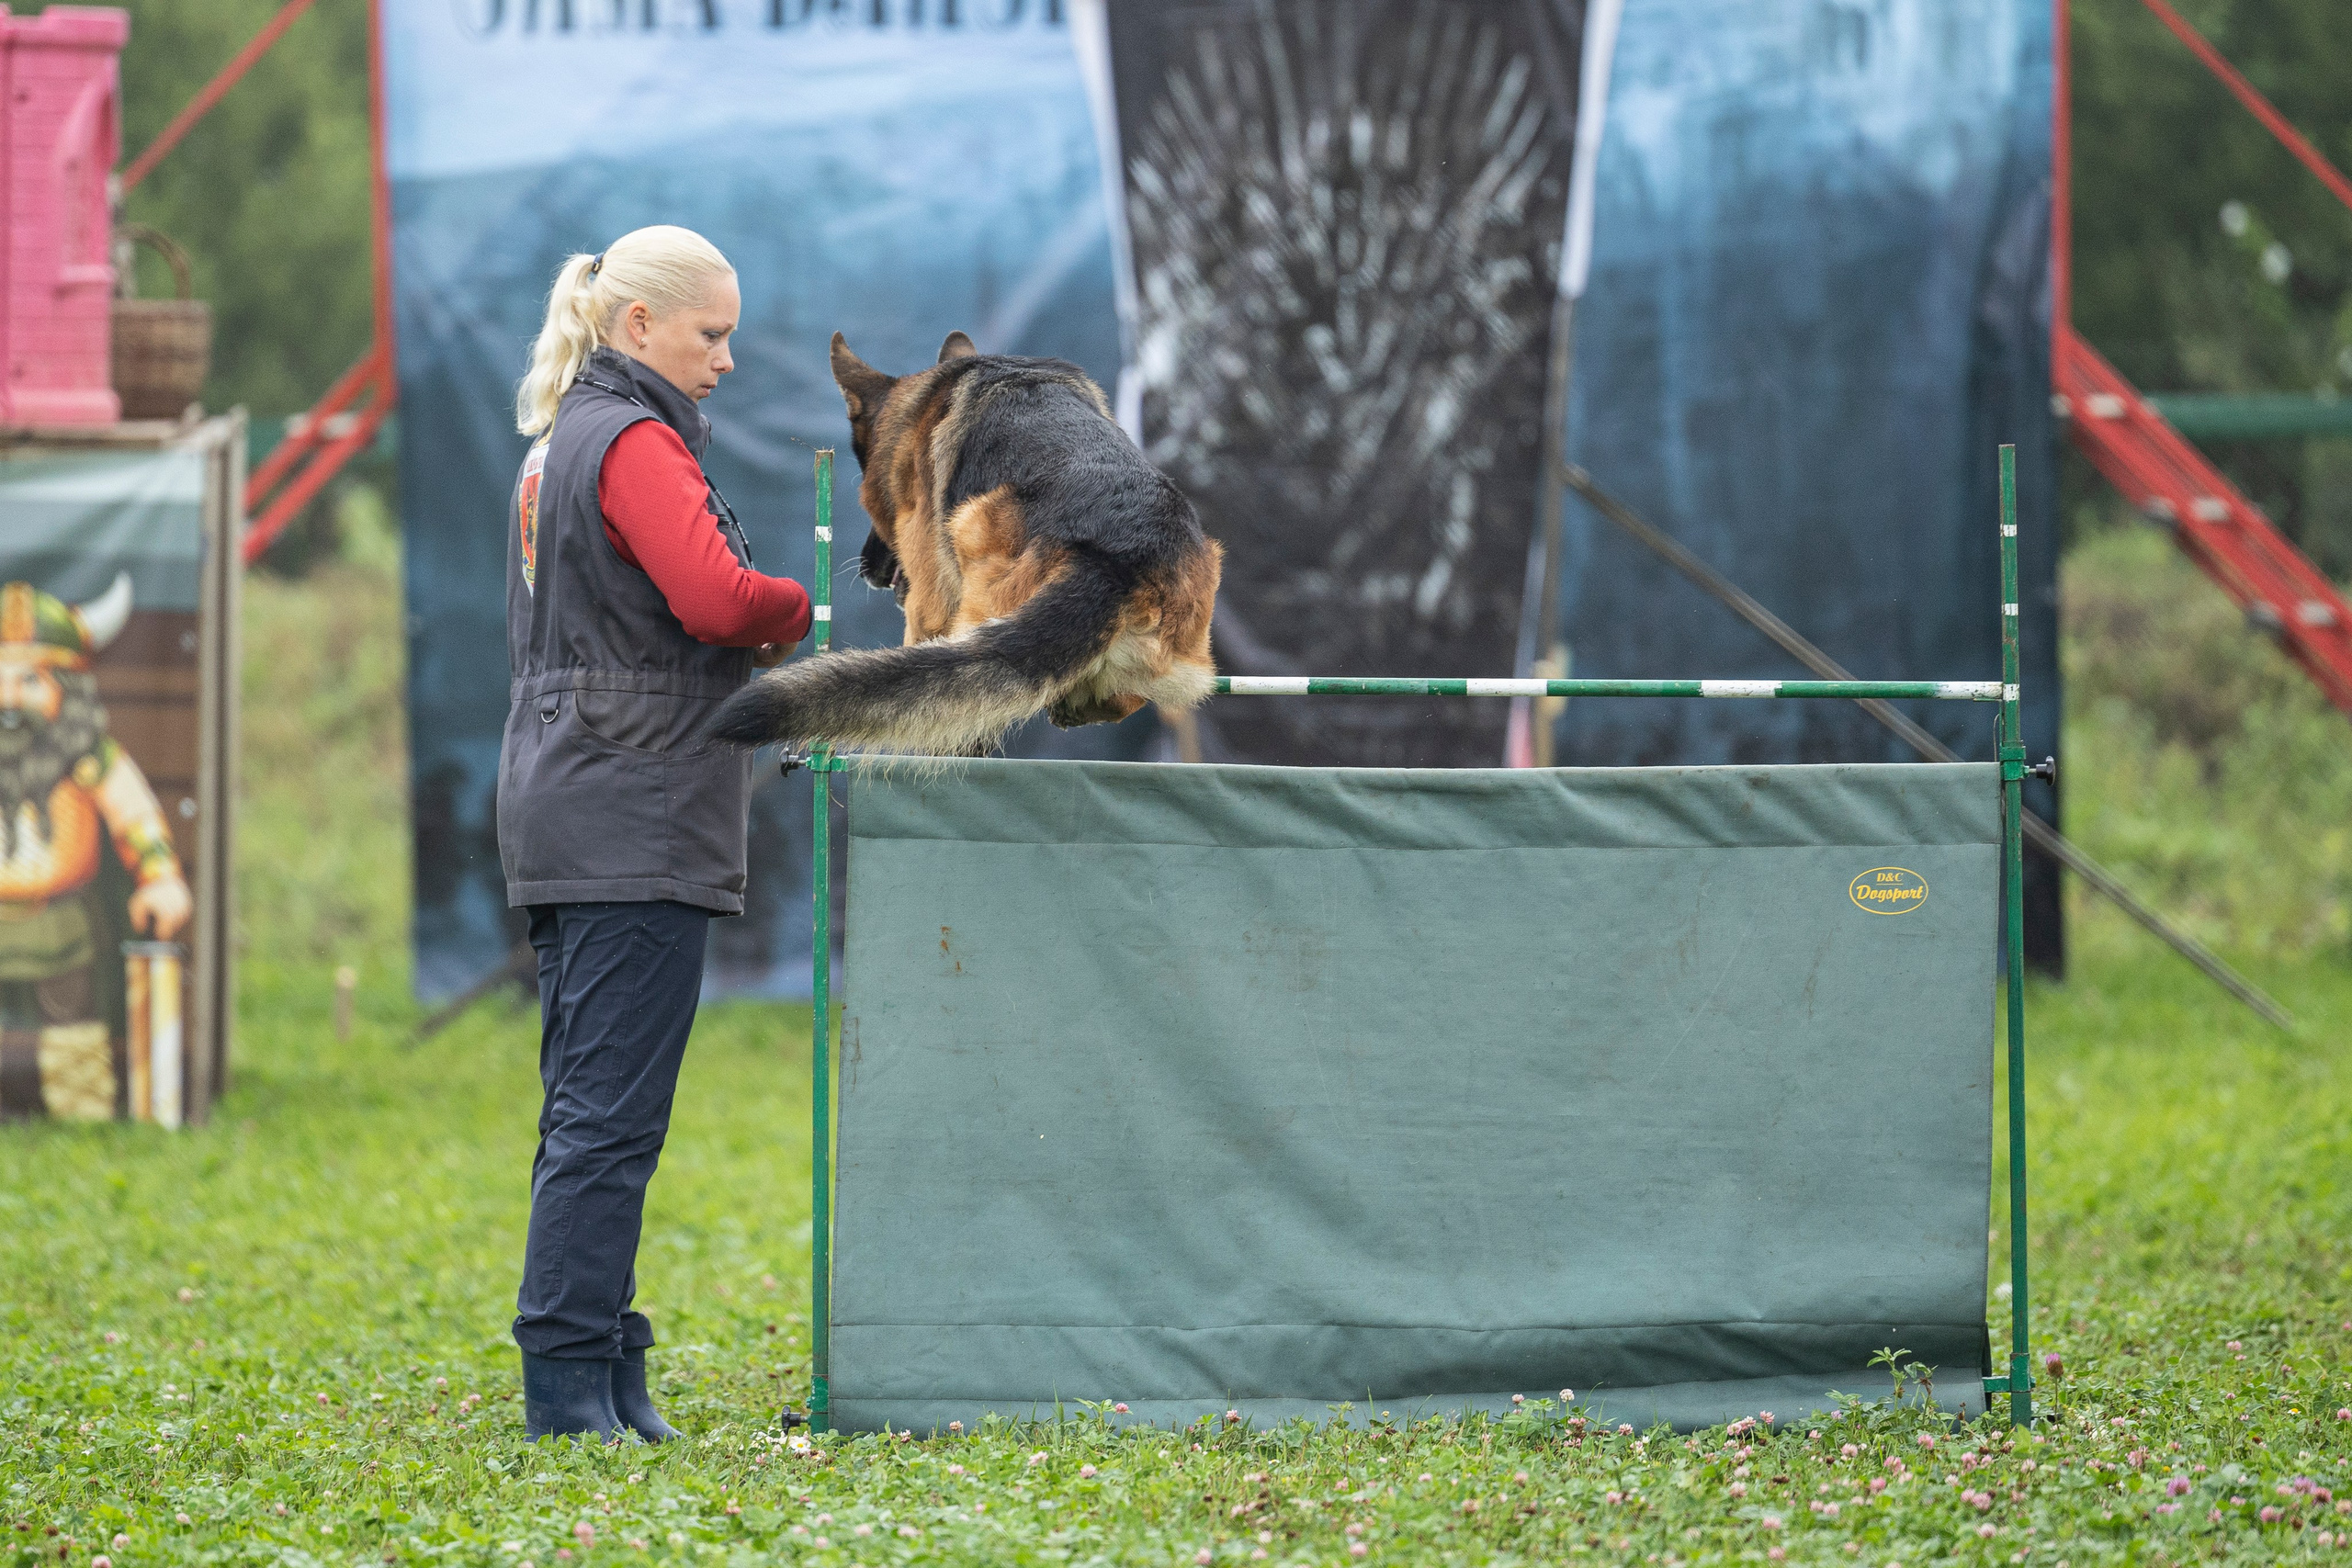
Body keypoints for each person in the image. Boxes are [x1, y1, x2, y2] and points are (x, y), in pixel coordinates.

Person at [498, 224, 811, 1442]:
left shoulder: (557, 442)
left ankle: (608, 1369)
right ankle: (568, 1392)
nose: (727, 359)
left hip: (570, 800)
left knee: (592, 1105)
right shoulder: (632, 441)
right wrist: (800, 608)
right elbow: (717, 597)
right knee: (609, 1118)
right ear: (640, 328)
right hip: (630, 812)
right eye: (712, 334)